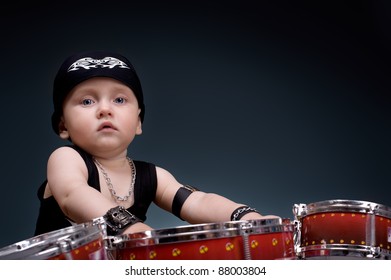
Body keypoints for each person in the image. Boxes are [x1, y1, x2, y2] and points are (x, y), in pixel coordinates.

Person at [34, 50, 279, 237]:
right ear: (63, 125)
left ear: (138, 122)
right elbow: (73, 194)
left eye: (119, 99)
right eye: (87, 101)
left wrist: (246, 217)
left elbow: (198, 201)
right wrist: (135, 231)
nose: (105, 109)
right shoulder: (66, 159)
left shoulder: (151, 176)